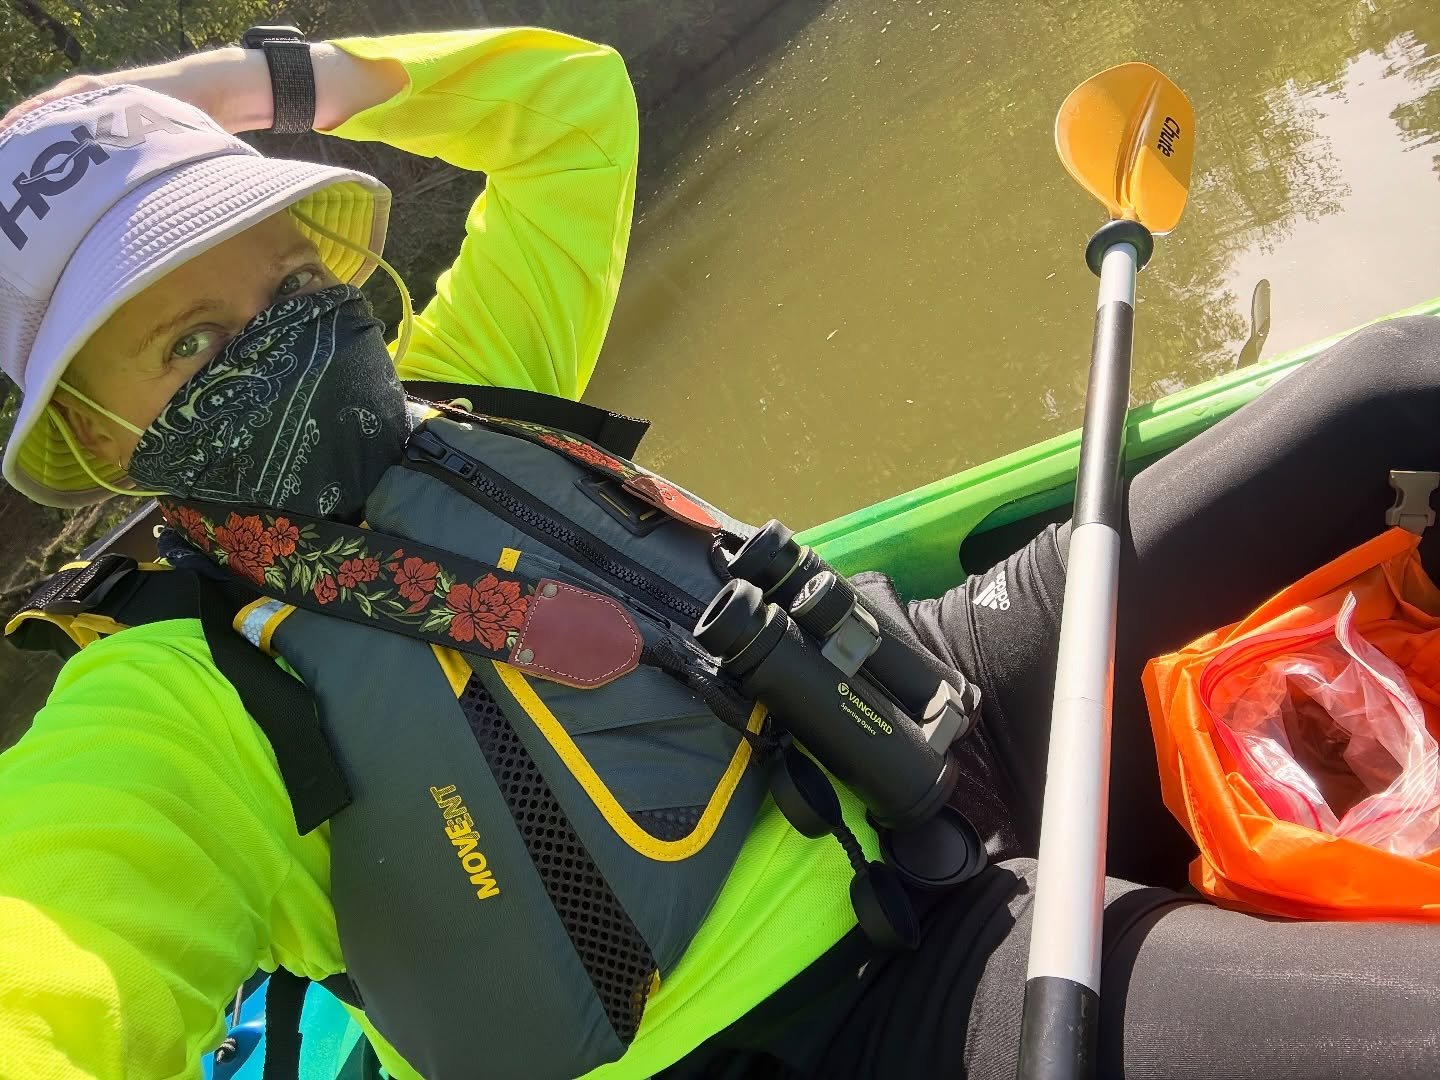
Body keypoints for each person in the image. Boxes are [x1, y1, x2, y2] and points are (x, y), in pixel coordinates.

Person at [0, 23, 1438, 1080]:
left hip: (909, 690)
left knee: (1391, 390)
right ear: (91, 439)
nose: (287, 339)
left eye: (293, 274)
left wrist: (230, 92)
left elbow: (573, 104)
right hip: (852, 1011)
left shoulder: (455, 380)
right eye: (191, 344)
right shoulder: (165, 707)